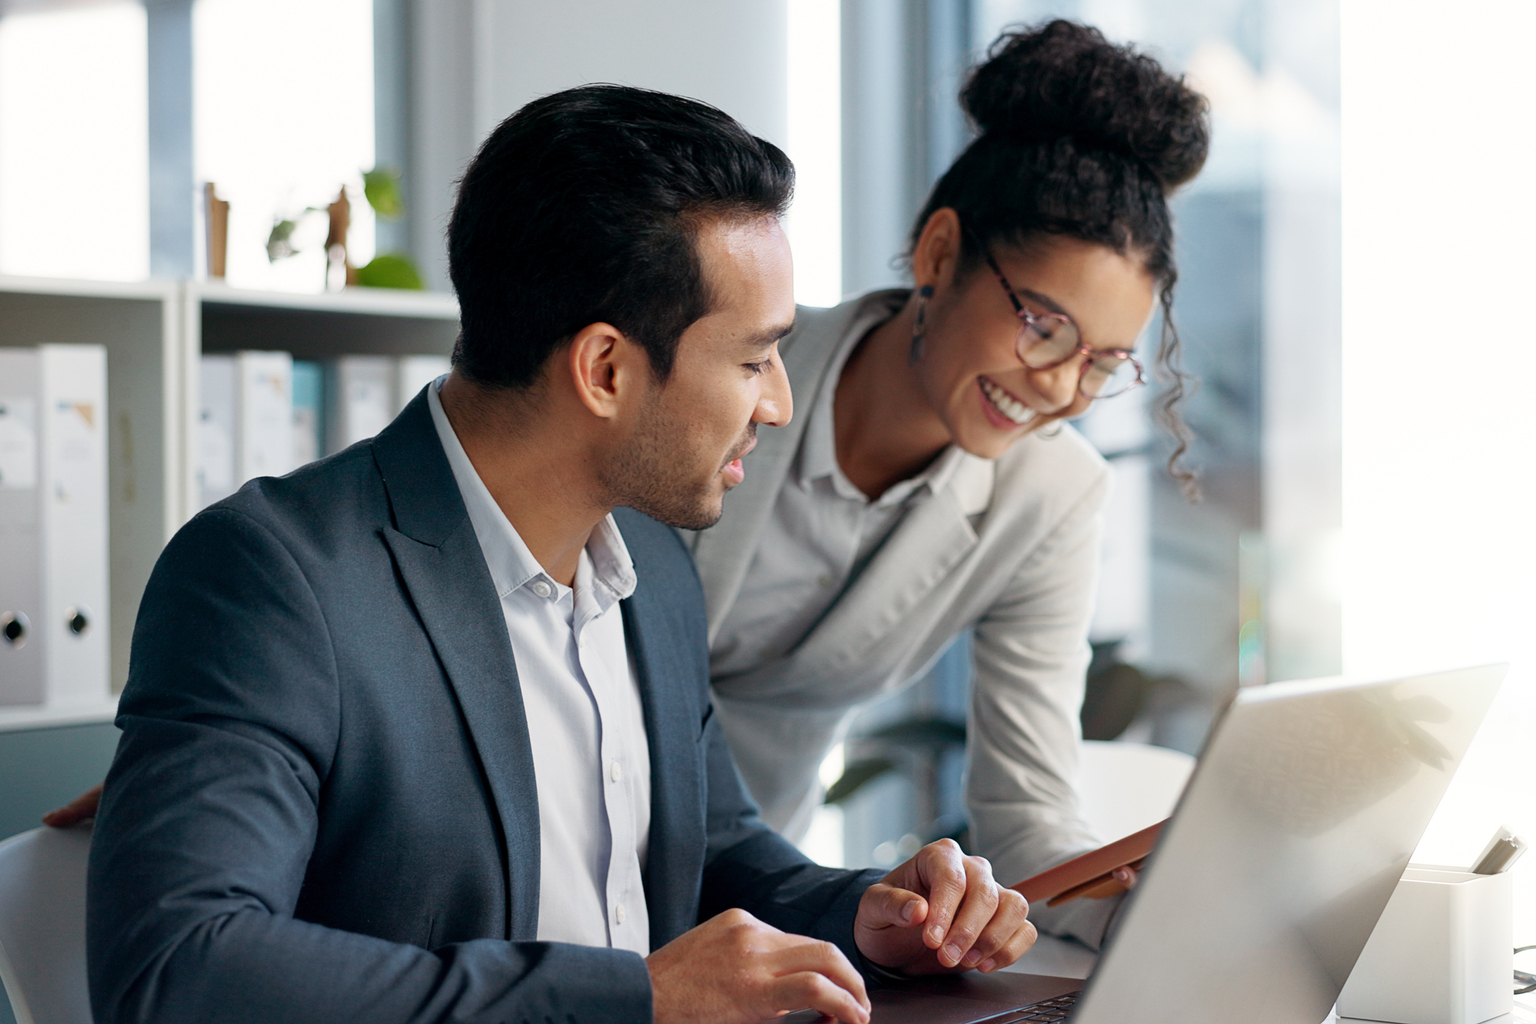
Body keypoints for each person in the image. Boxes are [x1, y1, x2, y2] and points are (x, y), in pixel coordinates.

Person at [83, 85, 1034, 1024]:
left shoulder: (651, 562)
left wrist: (869, 918)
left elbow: (709, 847)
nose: (777, 404)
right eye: (753, 360)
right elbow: (177, 969)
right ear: (606, 370)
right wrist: (633, 998)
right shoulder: (272, 578)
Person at [692, 21, 1209, 948]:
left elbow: (1029, 809)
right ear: (939, 253)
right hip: (560, 853)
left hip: (764, 901)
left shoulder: (1050, 497)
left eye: (1102, 364)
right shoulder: (726, 371)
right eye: (1044, 326)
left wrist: (1151, 924)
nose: (1059, 387)